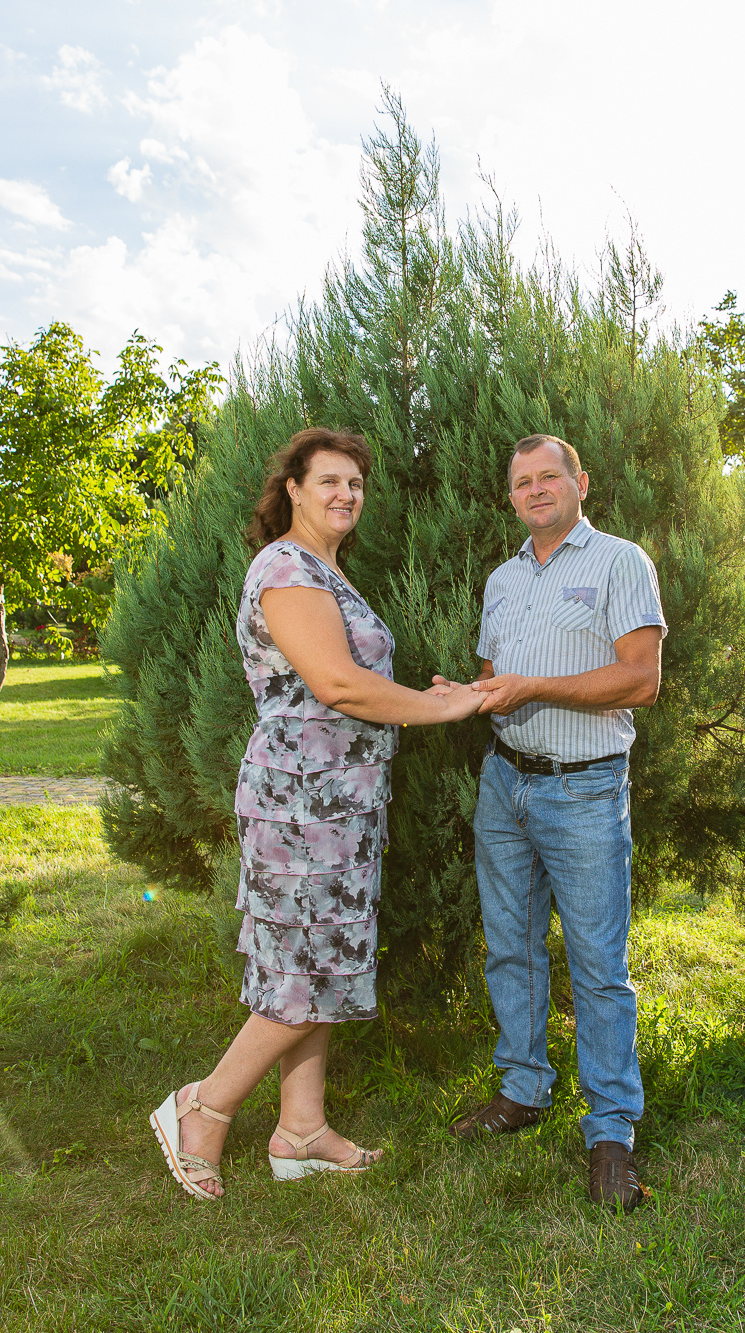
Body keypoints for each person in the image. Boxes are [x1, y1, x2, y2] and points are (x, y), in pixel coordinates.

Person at [151, 427, 485, 1201]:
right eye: (328, 480)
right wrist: (446, 711)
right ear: (292, 489)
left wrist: (427, 697)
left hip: (342, 800)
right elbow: (336, 685)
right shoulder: (286, 566)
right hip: (300, 803)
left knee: (322, 956)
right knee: (304, 970)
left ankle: (301, 1129)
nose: (345, 494)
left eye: (355, 485)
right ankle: (201, 1106)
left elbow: (349, 687)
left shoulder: (328, 569)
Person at [438, 433, 666, 1213]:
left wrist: (536, 684)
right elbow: (503, 679)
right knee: (511, 945)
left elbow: (641, 679)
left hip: (584, 789)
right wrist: (467, 694)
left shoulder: (620, 562)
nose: (535, 489)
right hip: (505, 782)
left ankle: (611, 1132)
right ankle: (524, 1088)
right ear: (510, 498)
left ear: (580, 483)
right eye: (521, 481)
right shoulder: (502, 580)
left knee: (598, 965)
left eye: (548, 476)